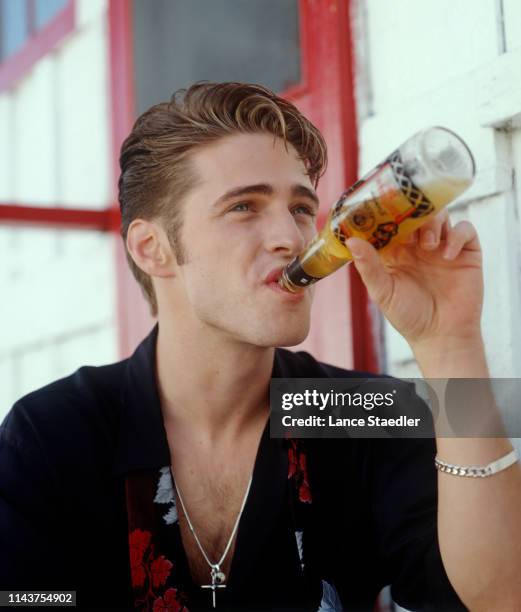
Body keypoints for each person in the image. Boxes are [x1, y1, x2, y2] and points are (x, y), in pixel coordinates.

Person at [1, 82, 520, 612]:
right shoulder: (54, 431)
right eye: (244, 207)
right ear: (152, 248)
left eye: (300, 208)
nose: (292, 238)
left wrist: (450, 345)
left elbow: (500, 598)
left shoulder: (355, 411)